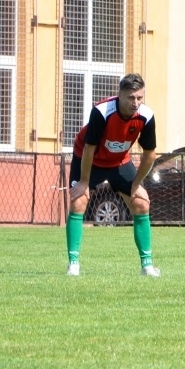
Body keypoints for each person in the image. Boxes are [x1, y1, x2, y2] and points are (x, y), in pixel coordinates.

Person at [66, 74, 160, 277]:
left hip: (119, 162)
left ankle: (147, 266)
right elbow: (89, 148)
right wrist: (84, 182)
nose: (136, 103)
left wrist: (136, 184)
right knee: (78, 202)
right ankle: (73, 264)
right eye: (131, 98)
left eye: (140, 98)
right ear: (120, 95)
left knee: (142, 203)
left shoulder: (146, 116)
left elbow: (150, 154)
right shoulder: (102, 111)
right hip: (90, 158)